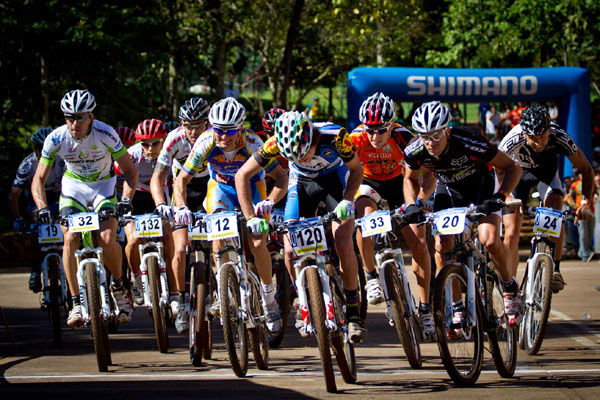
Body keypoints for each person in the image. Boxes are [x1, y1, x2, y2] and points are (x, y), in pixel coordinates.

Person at [236, 110, 366, 343]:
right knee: (288, 249)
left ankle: (353, 310)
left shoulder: (336, 137)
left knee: (343, 240)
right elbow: (242, 175)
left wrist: (348, 199)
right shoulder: (274, 144)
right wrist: (250, 218)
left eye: (304, 153)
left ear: (313, 140)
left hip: (334, 179)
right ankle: (303, 297)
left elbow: (357, 169)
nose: (301, 158)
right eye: (292, 156)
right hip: (301, 184)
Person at [173, 97, 287, 335]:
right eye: (218, 130)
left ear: (241, 127)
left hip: (254, 189)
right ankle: (224, 290)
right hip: (221, 189)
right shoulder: (205, 141)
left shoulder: (253, 143)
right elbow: (181, 180)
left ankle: (268, 299)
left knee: (257, 242)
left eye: (230, 131)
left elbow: (281, 178)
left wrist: (269, 202)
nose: (223, 137)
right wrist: (181, 207)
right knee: (218, 235)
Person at [403, 101, 523, 327]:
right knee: (442, 246)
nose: (430, 142)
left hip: (481, 185)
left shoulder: (469, 141)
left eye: (436, 135)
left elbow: (513, 167)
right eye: (425, 136)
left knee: (488, 239)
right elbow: (409, 178)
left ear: (447, 129)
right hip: (448, 189)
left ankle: (509, 287)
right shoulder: (415, 149)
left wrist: (501, 195)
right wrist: (411, 204)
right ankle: (456, 305)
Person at [31, 89, 138, 327]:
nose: (74, 122)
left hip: (103, 186)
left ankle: (119, 289)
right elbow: (38, 179)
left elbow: (130, 171)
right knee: (70, 239)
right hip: (74, 187)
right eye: (69, 117)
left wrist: (125, 200)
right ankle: (76, 301)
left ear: (91, 116)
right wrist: (42, 207)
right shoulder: (57, 138)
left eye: (80, 117)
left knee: (108, 238)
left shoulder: (106, 133)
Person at [350, 92, 437, 340]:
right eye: (370, 130)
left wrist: (419, 201)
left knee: (419, 242)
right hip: (369, 184)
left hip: (400, 186)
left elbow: (429, 174)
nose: (374, 136)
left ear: (391, 125)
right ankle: (370, 276)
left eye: (380, 130)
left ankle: (425, 307)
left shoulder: (405, 138)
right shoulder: (356, 139)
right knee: (365, 216)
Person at [499, 103, 593, 293]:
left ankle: (555, 269)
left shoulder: (559, 135)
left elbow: (586, 169)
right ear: (524, 133)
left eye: (542, 136)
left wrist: (585, 202)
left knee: (554, 215)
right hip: (517, 175)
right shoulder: (513, 138)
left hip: (547, 175)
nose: (538, 142)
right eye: (532, 137)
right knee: (511, 233)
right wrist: (506, 195)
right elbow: (495, 169)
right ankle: (509, 283)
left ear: (549, 130)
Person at [150, 97, 210, 334]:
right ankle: (181, 299)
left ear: (207, 123)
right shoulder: (173, 139)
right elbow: (157, 177)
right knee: (179, 248)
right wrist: (160, 203)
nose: (193, 131)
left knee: (218, 240)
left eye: (198, 125)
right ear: (181, 124)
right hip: (182, 189)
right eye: (188, 125)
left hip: (209, 186)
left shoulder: (215, 136)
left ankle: (223, 286)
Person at [115, 119, 173, 307]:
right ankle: (135, 278)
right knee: (132, 240)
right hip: (136, 198)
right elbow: (113, 176)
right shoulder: (132, 154)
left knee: (167, 238)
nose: (150, 149)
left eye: (155, 143)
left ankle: (172, 283)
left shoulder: (171, 152)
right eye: (145, 144)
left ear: (163, 140)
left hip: (161, 197)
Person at [8, 127, 66, 292]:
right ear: (35, 149)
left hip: (59, 197)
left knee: (66, 228)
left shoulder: (63, 160)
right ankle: (35, 269)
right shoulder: (28, 165)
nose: (48, 151)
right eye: (42, 148)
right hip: (36, 199)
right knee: (36, 228)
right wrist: (17, 218)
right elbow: (14, 195)